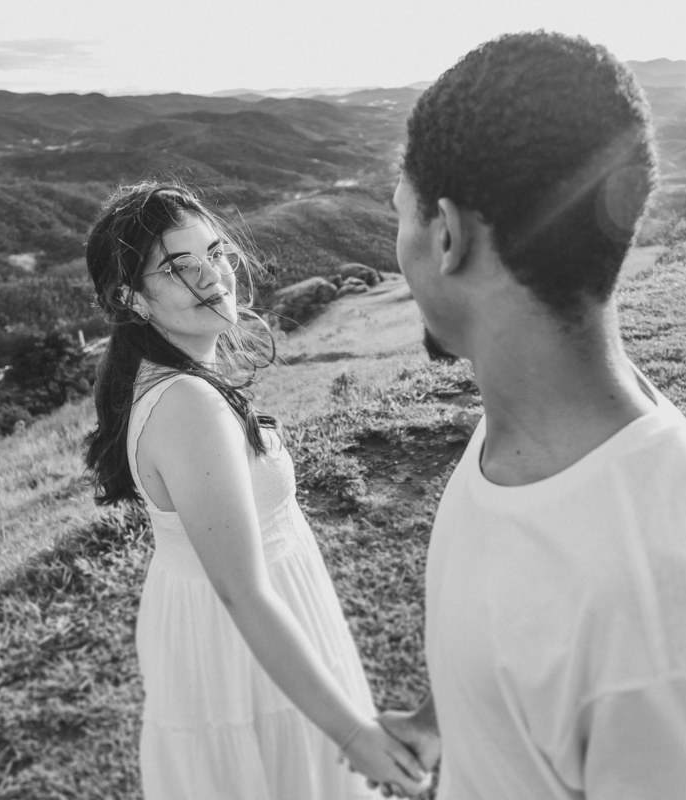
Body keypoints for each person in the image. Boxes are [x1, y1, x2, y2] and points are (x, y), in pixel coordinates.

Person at [377, 32, 686, 799]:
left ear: (448, 236)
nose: (397, 245)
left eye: (400, 216)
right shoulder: (528, 420)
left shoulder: (659, 603)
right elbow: (516, 629)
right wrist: (440, 718)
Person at [82, 181, 428, 799]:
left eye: (216, 253)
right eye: (177, 267)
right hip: (243, 639)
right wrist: (352, 735)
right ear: (130, 298)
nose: (213, 276)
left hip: (247, 621)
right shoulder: (188, 404)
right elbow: (241, 591)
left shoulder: (175, 380)